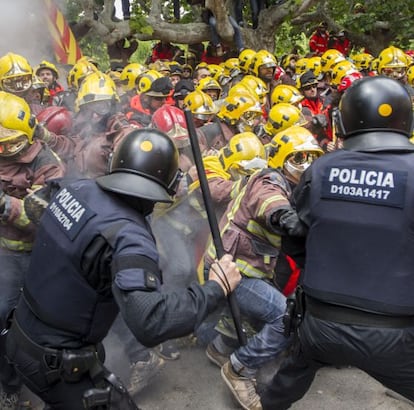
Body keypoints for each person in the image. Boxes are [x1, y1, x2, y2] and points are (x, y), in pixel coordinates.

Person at [5, 128, 241, 409]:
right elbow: (152, 321)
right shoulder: (130, 237)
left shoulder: (74, 188)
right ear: (165, 185)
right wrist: (216, 287)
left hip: (19, 337)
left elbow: (35, 205)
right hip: (57, 365)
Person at [260, 76, 414, 409]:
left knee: (285, 384)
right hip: (394, 335)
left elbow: (296, 240)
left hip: (318, 326)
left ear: (345, 120)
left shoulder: (321, 169)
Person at [0, 91, 66, 409]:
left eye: (8, 142)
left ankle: (53, 389)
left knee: (44, 324)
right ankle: (9, 387)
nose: (3, 149)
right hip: (4, 257)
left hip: (37, 255)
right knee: (2, 318)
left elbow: (41, 215)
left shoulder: (47, 165)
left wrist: (3, 204)